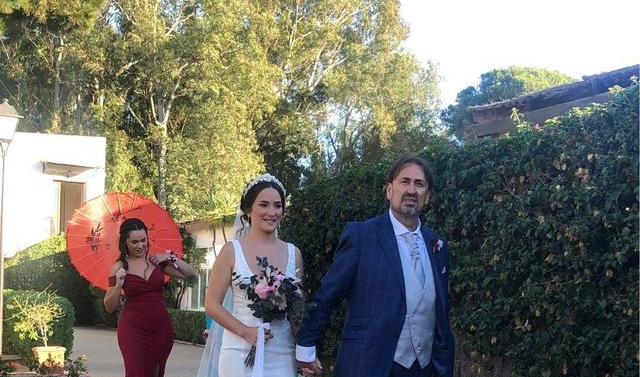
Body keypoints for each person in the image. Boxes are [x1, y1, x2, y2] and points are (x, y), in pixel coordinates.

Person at [296, 154, 455, 377]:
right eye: (404, 181)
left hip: (424, 368)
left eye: (419, 184)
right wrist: (306, 344)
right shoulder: (362, 235)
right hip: (368, 362)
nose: (411, 190)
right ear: (389, 190)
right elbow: (328, 294)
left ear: (427, 196)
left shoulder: (437, 245)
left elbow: (438, 311)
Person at [203, 173, 316, 377]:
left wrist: (306, 354)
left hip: (281, 352)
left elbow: (297, 312)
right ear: (248, 209)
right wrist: (245, 331)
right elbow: (212, 304)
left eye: (277, 205)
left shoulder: (294, 254)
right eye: (263, 205)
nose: (271, 212)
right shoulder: (230, 251)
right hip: (238, 351)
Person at [104, 217, 197, 377]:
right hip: (133, 330)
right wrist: (118, 285)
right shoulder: (118, 267)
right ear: (125, 242)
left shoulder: (157, 261)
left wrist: (169, 257)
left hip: (161, 329)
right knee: (137, 372)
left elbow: (191, 275)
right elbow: (109, 306)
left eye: (143, 240)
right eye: (134, 242)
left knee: (156, 372)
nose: (140, 246)